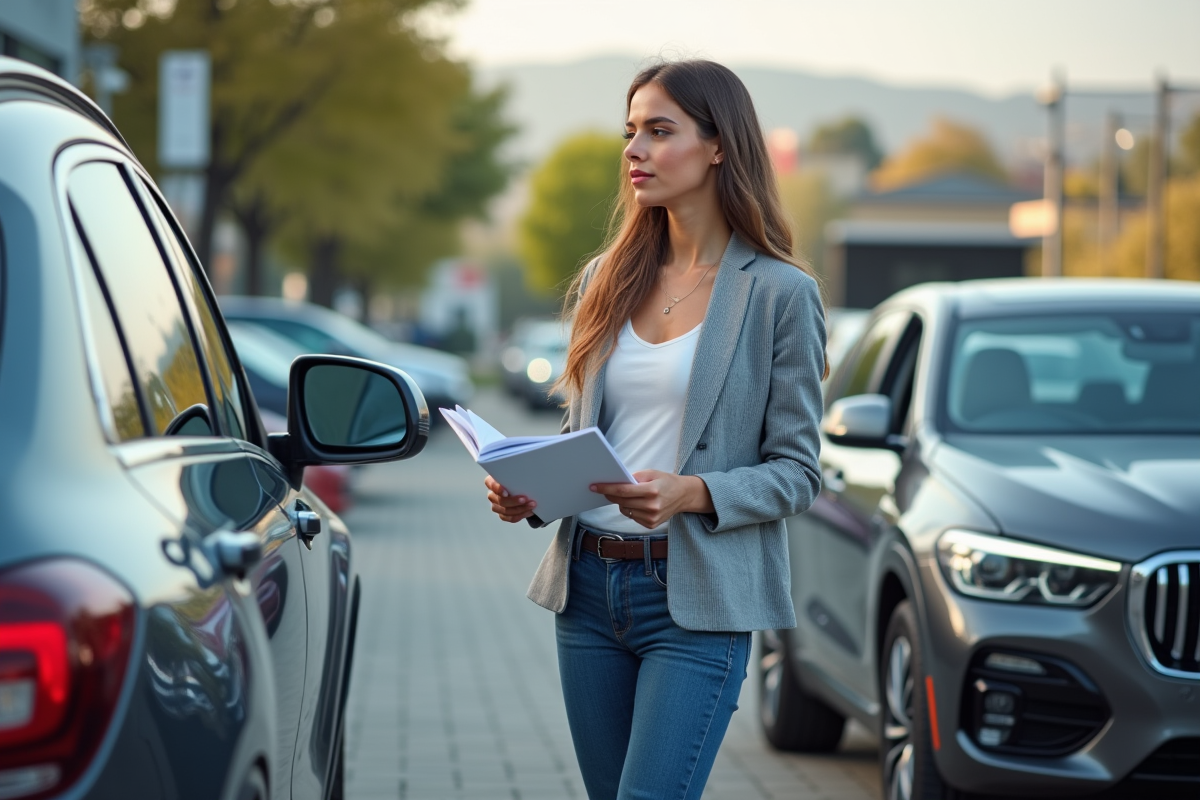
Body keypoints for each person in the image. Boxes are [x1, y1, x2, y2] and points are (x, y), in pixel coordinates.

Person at [484, 59, 827, 800]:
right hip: (586, 590)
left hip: (696, 599)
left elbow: (799, 472)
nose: (635, 149)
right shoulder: (611, 275)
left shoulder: (780, 294)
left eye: (660, 131)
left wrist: (693, 492)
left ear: (718, 147)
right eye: (630, 131)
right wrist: (530, 494)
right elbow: (588, 441)